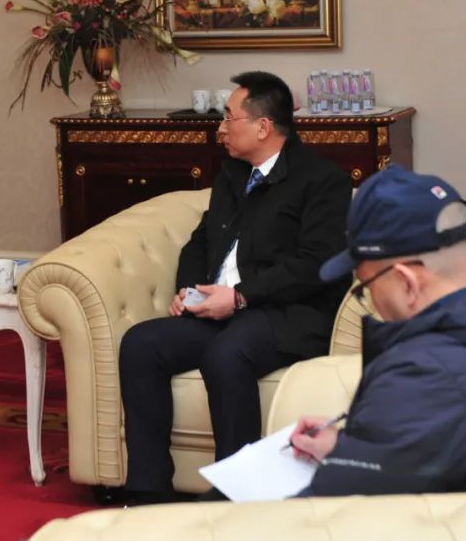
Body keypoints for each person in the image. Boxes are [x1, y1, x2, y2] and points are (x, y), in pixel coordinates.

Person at [118, 71, 351, 503]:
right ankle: (148, 495)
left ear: (263, 127)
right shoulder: (232, 175)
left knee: (226, 353)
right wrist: (189, 291)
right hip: (222, 308)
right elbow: (201, 241)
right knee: (141, 343)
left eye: (229, 117)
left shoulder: (322, 180)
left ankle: (234, 499)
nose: (220, 128)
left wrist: (241, 296)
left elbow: (315, 265)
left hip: (286, 313)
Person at [290, 165, 466, 495]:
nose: (372, 301)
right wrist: (356, 447)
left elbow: (327, 512)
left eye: (366, 287)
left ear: (407, 282)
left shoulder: (425, 374)